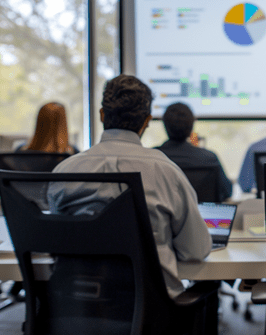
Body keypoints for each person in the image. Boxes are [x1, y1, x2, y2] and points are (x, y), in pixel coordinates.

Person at [49, 74, 212, 298]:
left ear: (102, 115)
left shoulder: (65, 171)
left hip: (76, 306)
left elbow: (57, 242)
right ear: (147, 120)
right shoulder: (165, 171)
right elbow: (196, 250)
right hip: (152, 311)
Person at [156, 102, 232, 202]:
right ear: (192, 126)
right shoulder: (209, 158)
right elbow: (227, 192)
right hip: (201, 217)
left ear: (164, 125)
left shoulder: (152, 158)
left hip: (164, 217)